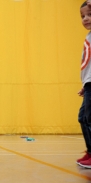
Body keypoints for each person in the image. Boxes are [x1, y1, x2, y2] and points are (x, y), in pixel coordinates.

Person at [77, 0, 91, 168]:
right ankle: (89, 151)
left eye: (89, 14)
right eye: (82, 16)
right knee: (83, 118)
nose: (86, 19)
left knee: (89, 119)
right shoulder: (88, 36)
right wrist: (86, 84)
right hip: (88, 84)